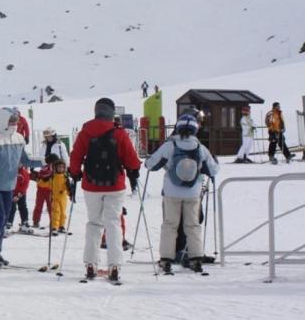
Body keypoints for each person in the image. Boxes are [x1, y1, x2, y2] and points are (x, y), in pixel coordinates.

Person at [69, 98, 141, 284]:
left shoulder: (85, 132)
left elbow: (75, 156)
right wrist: (133, 172)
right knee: (113, 223)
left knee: (94, 223)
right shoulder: (119, 133)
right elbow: (132, 160)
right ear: (111, 113)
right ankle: (114, 265)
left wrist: (75, 173)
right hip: (115, 185)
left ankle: (91, 264)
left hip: (91, 185)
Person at [144, 114, 220, 274]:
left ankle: (166, 260)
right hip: (193, 193)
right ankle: (196, 259)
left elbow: (150, 165)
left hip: (171, 192)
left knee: (170, 225)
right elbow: (213, 169)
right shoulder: (200, 147)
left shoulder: (170, 145)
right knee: (192, 226)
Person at [0, 107, 43, 267]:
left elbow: (27, 160)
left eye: (16, 121)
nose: (14, 124)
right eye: (11, 121)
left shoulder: (19, 138)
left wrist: (46, 160)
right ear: (3, 121)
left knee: (3, 220)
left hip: (9, 185)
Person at [31, 153, 56, 229]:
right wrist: (34, 174)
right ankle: (36, 221)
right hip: (41, 190)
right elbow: (41, 175)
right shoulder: (45, 167)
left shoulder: (54, 168)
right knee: (39, 206)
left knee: (51, 207)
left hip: (49, 190)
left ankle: (53, 222)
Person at [5, 165, 32, 234]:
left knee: (23, 207)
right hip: (11, 193)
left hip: (21, 194)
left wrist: (19, 194)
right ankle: (9, 222)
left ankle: (24, 222)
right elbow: (7, 181)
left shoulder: (24, 172)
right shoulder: (10, 171)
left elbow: (25, 184)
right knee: (11, 208)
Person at [48, 159, 70, 235]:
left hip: (63, 198)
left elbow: (67, 187)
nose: (61, 169)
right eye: (59, 167)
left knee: (63, 213)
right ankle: (54, 227)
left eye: (62, 167)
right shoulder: (53, 177)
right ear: (55, 168)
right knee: (56, 212)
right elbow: (49, 185)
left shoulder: (65, 177)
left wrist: (70, 191)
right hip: (55, 198)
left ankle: (62, 226)